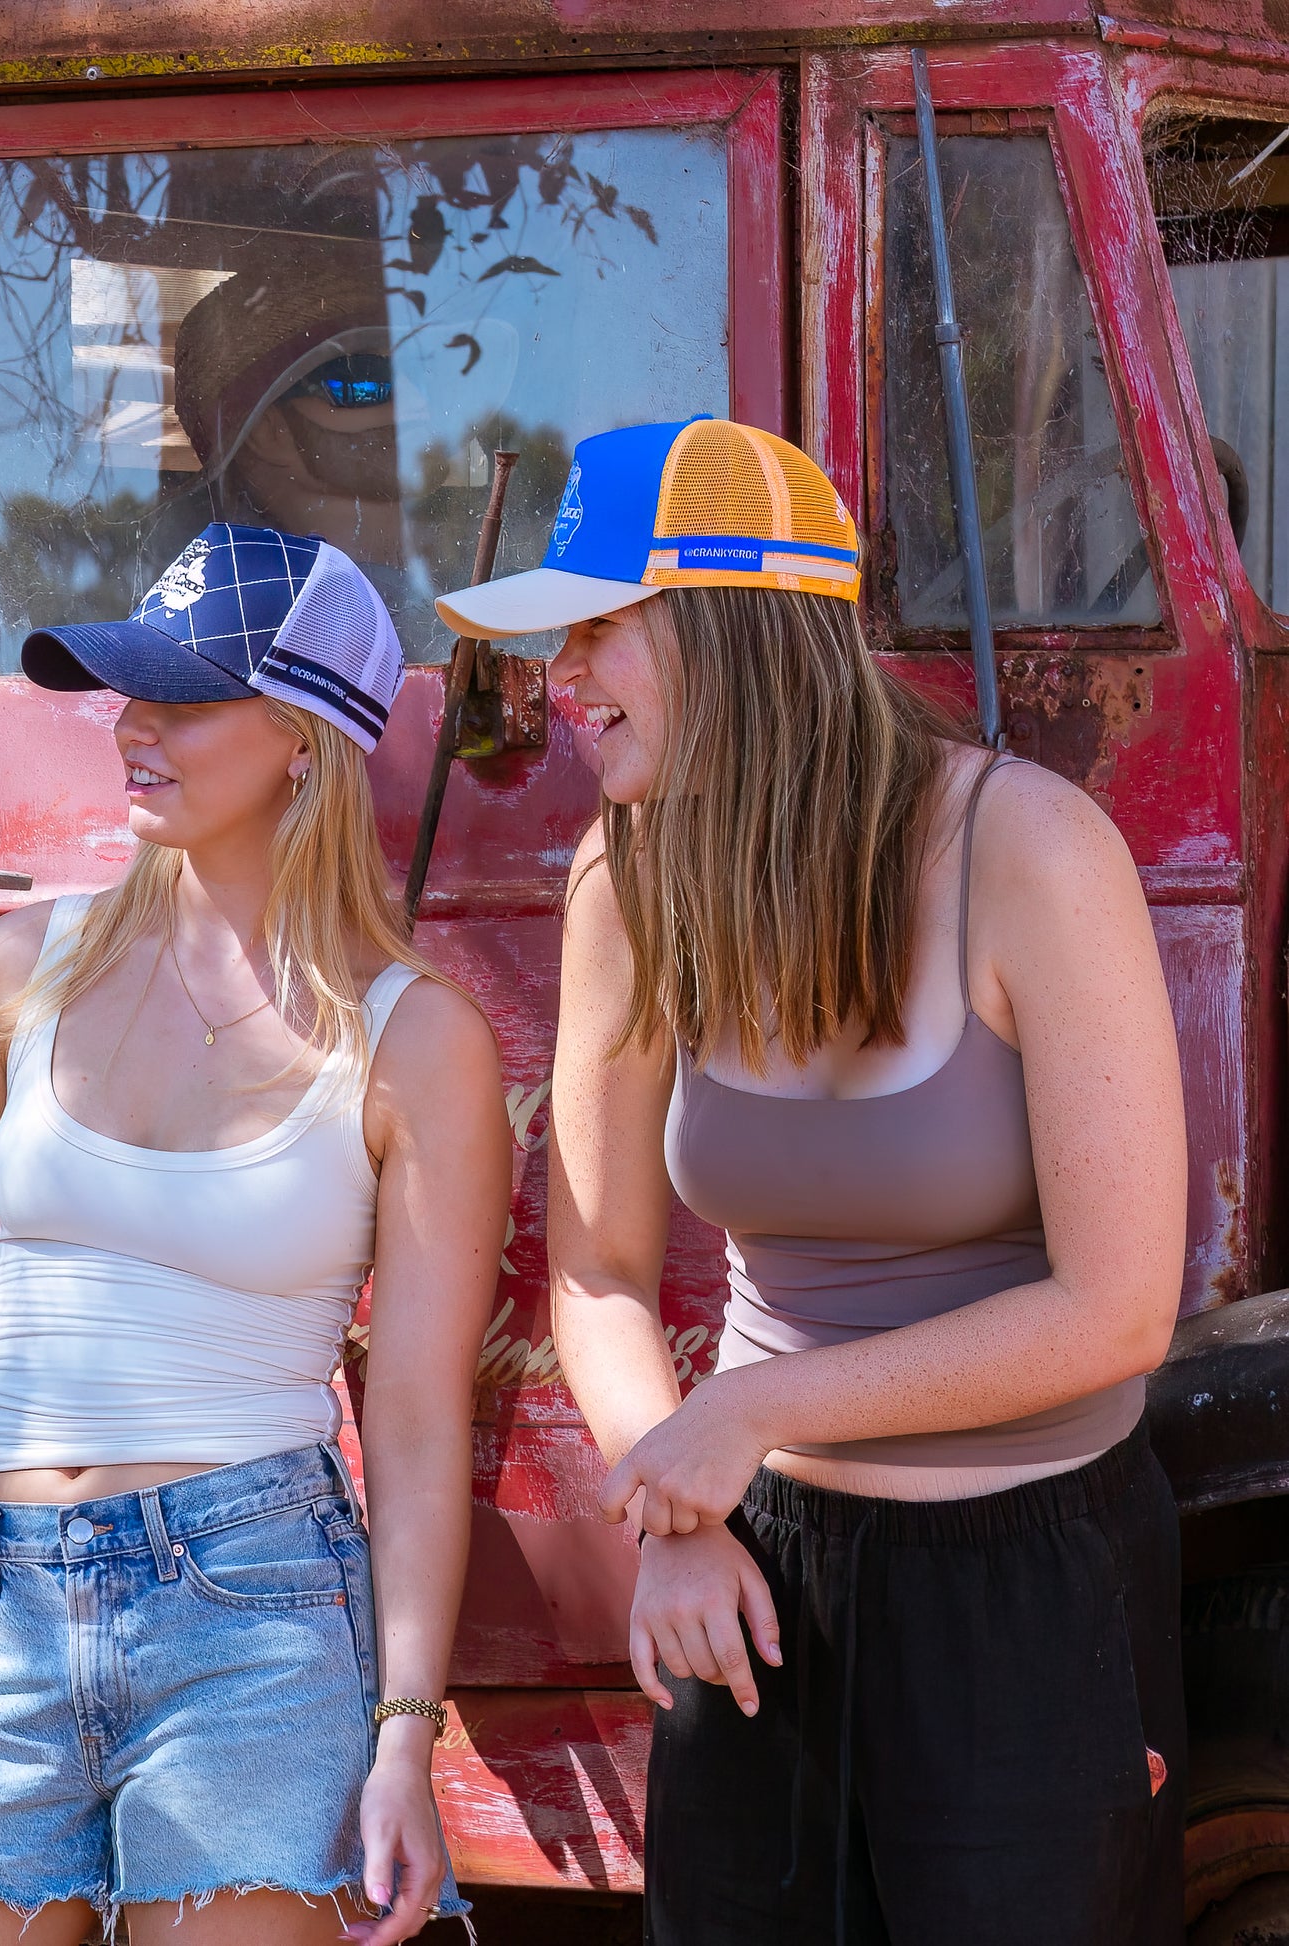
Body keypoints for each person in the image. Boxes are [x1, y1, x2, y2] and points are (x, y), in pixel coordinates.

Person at [437, 418, 1188, 1945]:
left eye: (592, 628)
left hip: (1029, 1593)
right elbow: (592, 1268)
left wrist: (754, 1407)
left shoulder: (1029, 849)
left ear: (730, 626)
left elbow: (1116, 1311)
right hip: (757, 1584)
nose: (554, 682)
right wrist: (675, 1514)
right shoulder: (623, 879)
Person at [0, 522, 509, 1946]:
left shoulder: (413, 1038)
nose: (131, 726)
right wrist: (48, 1433)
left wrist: (402, 1728)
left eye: (182, 699)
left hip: (250, 1609)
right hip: (0, 1591)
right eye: (129, 690)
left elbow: (421, 1413)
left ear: (305, 739)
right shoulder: (24, 967)